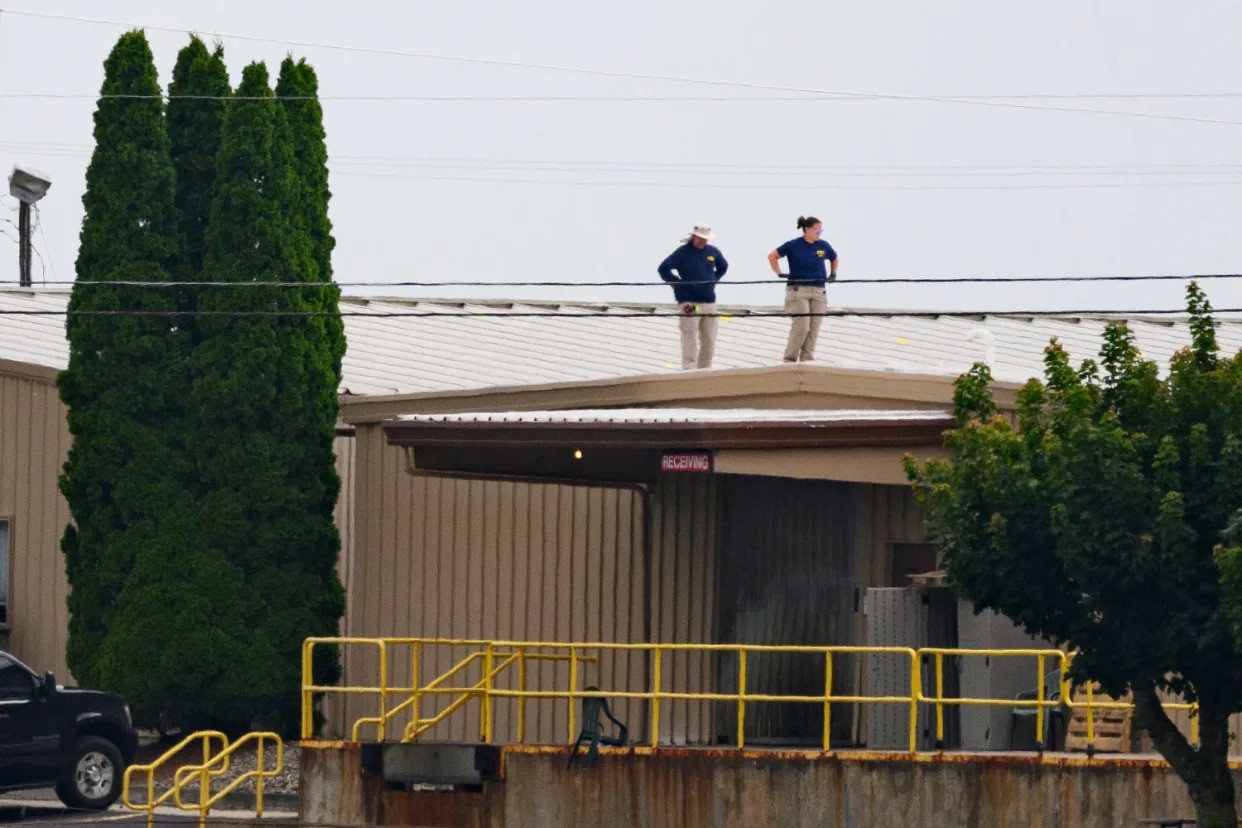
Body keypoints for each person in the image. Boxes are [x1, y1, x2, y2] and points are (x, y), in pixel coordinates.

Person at [658, 223, 729, 370]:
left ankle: (705, 368)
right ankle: (690, 368)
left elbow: (723, 266)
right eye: (700, 238)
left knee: (709, 338)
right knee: (690, 335)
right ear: (694, 237)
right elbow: (663, 268)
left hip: (709, 302)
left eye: (705, 238)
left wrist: (713, 280)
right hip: (690, 303)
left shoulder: (712, 252)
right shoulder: (683, 252)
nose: (702, 241)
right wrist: (677, 284)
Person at [768, 216, 838, 363]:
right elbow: (772, 256)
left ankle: (807, 360)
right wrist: (779, 272)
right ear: (807, 229)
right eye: (817, 229)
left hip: (819, 290)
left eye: (821, 230)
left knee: (814, 328)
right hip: (799, 290)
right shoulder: (793, 245)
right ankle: (790, 359)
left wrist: (833, 273)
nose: (819, 233)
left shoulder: (823, 246)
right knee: (802, 326)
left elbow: (834, 257)